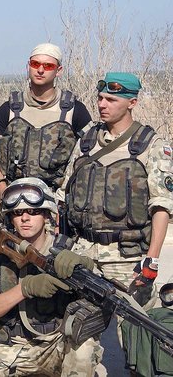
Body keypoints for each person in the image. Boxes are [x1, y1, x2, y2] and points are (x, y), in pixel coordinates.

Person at [58, 72, 173, 332]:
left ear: (132, 103)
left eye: (111, 99)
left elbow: (161, 207)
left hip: (127, 260)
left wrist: (151, 260)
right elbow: (65, 194)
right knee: (77, 339)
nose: (102, 104)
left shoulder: (151, 146)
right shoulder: (86, 141)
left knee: (138, 341)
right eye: (100, 98)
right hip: (83, 254)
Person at [0, 177, 102, 376]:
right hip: (12, 346)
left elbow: (99, 301)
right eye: (18, 213)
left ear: (46, 215)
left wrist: (85, 267)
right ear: (10, 218)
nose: (25, 218)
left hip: (58, 344)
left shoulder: (68, 249)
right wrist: (26, 288)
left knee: (86, 346)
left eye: (33, 212)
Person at [0, 43, 92, 196]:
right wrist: (3, 190)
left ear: (59, 71)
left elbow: (87, 157)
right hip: (15, 198)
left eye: (48, 66)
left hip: (57, 200)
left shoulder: (75, 111)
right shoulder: (9, 109)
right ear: (28, 66)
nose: (40, 70)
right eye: (36, 64)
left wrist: (65, 198)